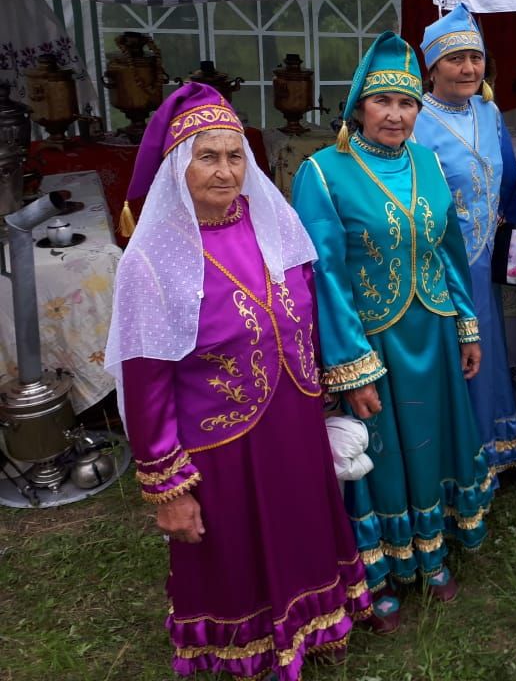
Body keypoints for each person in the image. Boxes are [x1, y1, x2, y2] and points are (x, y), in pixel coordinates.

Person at [106, 82, 371, 680]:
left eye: (235, 156)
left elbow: (307, 314)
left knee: (303, 534)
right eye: (208, 157)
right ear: (179, 167)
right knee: (239, 556)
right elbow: (145, 380)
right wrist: (168, 488)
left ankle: (314, 622)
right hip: (222, 449)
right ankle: (249, 646)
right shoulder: (153, 258)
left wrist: (333, 390)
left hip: (292, 430)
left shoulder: (272, 223)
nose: (226, 172)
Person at [292, 32, 493, 626]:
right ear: (358, 107)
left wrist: (468, 327)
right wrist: (351, 365)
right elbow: (321, 278)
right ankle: (376, 569)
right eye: (383, 102)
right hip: (371, 341)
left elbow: (448, 251)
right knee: (376, 452)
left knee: (429, 439)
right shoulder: (323, 173)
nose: (397, 115)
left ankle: (431, 551)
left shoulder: (427, 160)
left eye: (407, 103)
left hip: (431, 328)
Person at [413, 4, 516, 474]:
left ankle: (492, 449)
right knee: (451, 352)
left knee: (487, 346)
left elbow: (509, 178)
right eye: (455, 59)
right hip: (440, 260)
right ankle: (452, 457)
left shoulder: (488, 110)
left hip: (484, 257)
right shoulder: (415, 118)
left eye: (475, 58)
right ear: (433, 66)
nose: (467, 69)